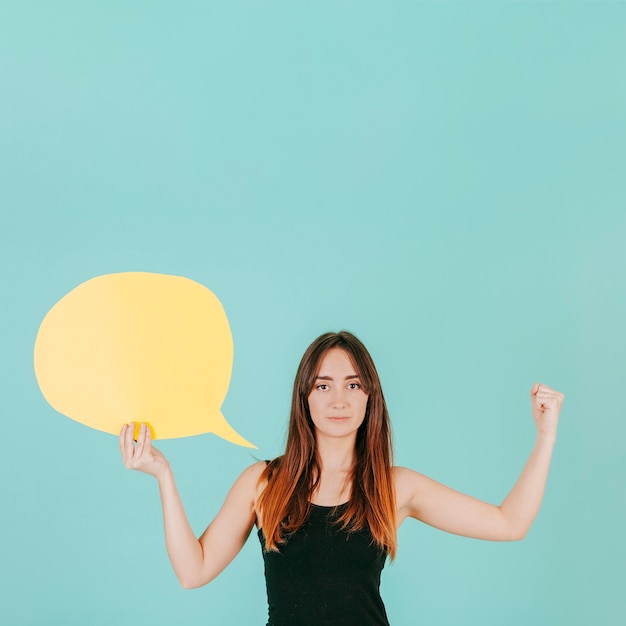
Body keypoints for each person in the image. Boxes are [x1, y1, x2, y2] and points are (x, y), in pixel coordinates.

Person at [119, 331, 564, 626]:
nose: (338, 399)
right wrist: (163, 475)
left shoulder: (394, 487)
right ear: (305, 397)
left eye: (353, 385)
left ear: (370, 397)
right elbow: (192, 570)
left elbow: (510, 523)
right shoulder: (263, 483)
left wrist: (545, 436)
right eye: (323, 385)